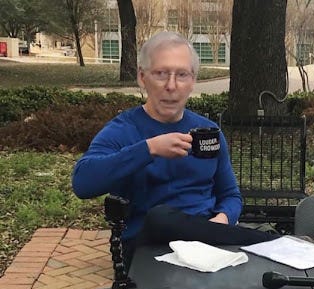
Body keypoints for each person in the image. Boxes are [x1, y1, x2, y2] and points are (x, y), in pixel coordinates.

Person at [72, 31, 277, 266]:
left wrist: (221, 222)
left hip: (208, 245)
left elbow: (230, 195)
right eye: (161, 74)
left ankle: (277, 246)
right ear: (142, 77)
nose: (171, 85)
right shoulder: (122, 130)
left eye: (181, 75)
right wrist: (149, 149)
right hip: (148, 250)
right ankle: (272, 242)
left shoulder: (208, 133)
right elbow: (83, 183)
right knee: (160, 217)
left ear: (193, 81)